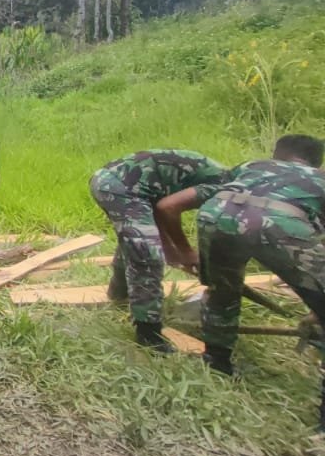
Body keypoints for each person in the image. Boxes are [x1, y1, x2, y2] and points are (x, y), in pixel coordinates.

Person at [156, 135, 325, 399]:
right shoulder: (317, 178)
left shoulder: (251, 166)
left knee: (222, 293)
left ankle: (218, 362)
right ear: (316, 162)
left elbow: (175, 203)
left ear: (275, 154)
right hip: (279, 222)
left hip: (218, 214)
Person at [89, 148, 230, 352]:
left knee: (139, 239)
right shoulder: (224, 188)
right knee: (147, 255)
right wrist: (185, 251)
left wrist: (170, 248)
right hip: (120, 185)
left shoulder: (224, 179)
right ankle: (148, 334)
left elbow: (158, 206)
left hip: (122, 183)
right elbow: (167, 208)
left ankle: (118, 292)